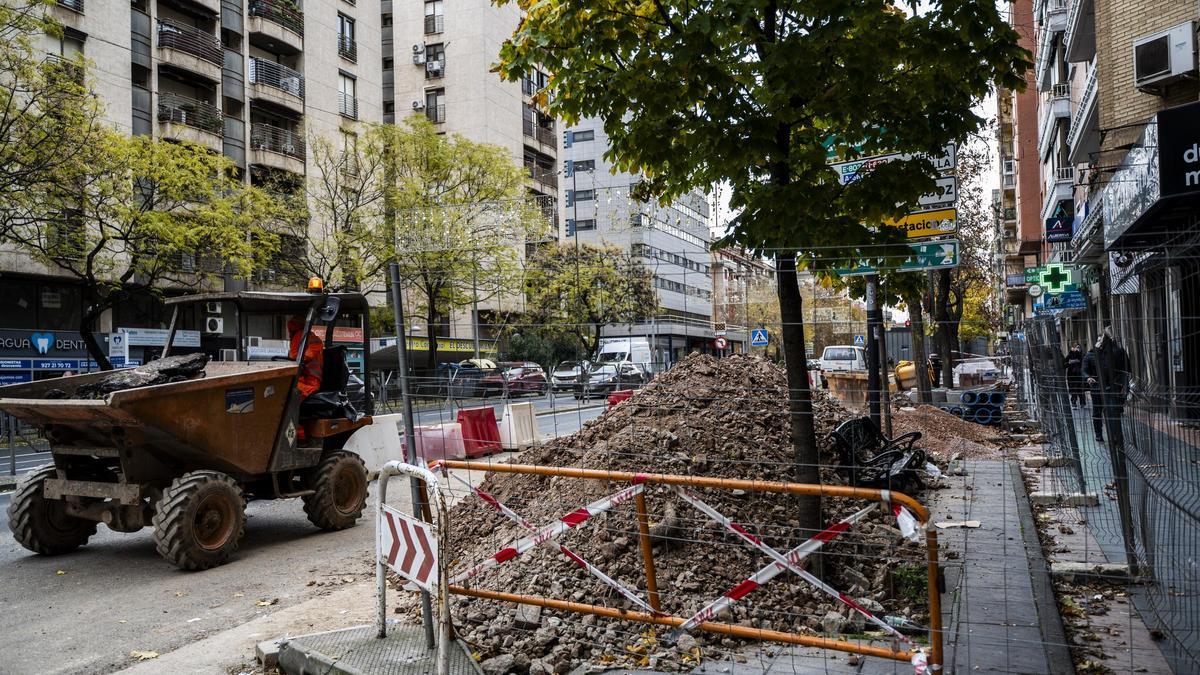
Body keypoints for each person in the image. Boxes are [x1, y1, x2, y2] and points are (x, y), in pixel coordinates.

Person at [1082, 327, 1129, 445]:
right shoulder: (1090, 355)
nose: (1100, 343)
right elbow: (1084, 370)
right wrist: (1088, 377)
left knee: (1113, 412)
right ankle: (1098, 434)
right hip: (1097, 388)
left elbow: (1124, 368)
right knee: (1097, 412)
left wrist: (1124, 385)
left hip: (1112, 388)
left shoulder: (1115, 352)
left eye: (1102, 340)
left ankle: (1115, 436)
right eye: (1099, 341)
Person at [287, 315, 324, 402]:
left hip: (310, 381)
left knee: (285, 390)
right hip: (303, 378)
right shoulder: (300, 335)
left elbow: (296, 357)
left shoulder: (303, 336)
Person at [1063, 343, 1086, 408]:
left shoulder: (1082, 355)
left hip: (1080, 375)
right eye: (1075, 347)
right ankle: (1074, 402)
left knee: (1081, 389)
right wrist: (1069, 363)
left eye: (1078, 347)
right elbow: (1064, 365)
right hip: (1071, 376)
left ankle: (1082, 402)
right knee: (1073, 390)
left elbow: (1085, 364)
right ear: (1072, 348)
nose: (1077, 349)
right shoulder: (1069, 356)